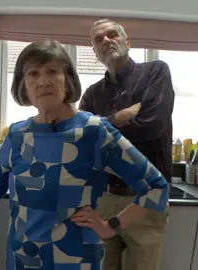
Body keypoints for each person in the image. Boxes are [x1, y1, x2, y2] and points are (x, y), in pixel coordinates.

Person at [0, 40, 169, 269]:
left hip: (75, 261)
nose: (43, 80)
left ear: (67, 80)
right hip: (22, 258)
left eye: (52, 71)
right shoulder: (18, 135)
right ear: (24, 87)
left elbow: (156, 186)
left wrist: (110, 226)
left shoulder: (94, 131)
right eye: (32, 74)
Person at [79, 19, 174, 270]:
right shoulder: (91, 93)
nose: (106, 40)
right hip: (104, 200)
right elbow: (82, 140)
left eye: (112, 35)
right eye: (99, 39)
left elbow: (152, 125)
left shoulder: (156, 72)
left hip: (146, 200)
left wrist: (101, 127)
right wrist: (117, 118)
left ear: (127, 42)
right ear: (95, 52)